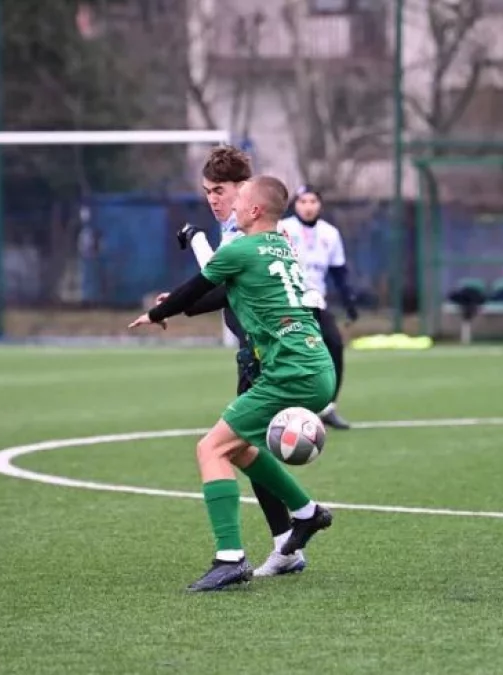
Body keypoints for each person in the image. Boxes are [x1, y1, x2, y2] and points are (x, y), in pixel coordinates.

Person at [130, 175, 335, 592]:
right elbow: (214, 292)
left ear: (255, 210)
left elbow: (197, 287)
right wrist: (177, 304)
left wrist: (156, 314)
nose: (233, 206)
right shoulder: (281, 245)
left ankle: (230, 557)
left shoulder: (240, 248)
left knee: (210, 448)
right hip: (316, 366)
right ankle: (306, 512)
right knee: (239, 449)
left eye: (239, 200)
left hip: (289, 371)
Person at [170, 146, 316, 579]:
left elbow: (217, 278)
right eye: (207, 192)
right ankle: (291, 532)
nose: (214, 199)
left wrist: (195, 243)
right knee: (244, 449)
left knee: (230, 447)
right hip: (259, 349)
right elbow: (224, 289)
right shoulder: (251, 229)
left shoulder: (246, 233)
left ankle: (253, 550)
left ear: (243, 192)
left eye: (221, 191)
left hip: (268, 352)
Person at [276, 185, 357, 430]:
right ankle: (278, 409)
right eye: (303, 201)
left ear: (319, 204)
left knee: (334, 345)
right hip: (286, 304)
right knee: (285, 355)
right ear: (295, 204)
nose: (308, 206)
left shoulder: (330, 233)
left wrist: (349, 301)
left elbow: (338, 271)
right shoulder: (283, 229)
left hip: (316, 303)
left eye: (312, 201)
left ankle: (327, 407)